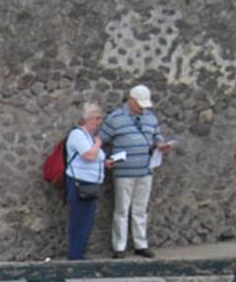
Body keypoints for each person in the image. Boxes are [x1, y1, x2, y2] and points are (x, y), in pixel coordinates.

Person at [100, 84, 173, 258]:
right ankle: (119, 246)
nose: (142, 108)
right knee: (122, 210)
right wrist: (103, 160)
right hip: (124, 171)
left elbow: (156, 136)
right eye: (139, 105)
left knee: (140, 209)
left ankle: (141, 243)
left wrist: (161, 145)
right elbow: (100, 140)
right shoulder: (116, 118)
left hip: (145, 170)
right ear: (131, 101)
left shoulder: (151, 118)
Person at [64, 102, 106, 260]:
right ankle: (75, 256)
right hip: (79, 183)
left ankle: (79, 253)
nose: (99, 121)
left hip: (90, 184)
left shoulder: (88, 137)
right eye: (97, 118)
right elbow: (89, 155)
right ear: (87, 119)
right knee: (80, 221)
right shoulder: (78, 135)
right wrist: (98, 144)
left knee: (87, 221)